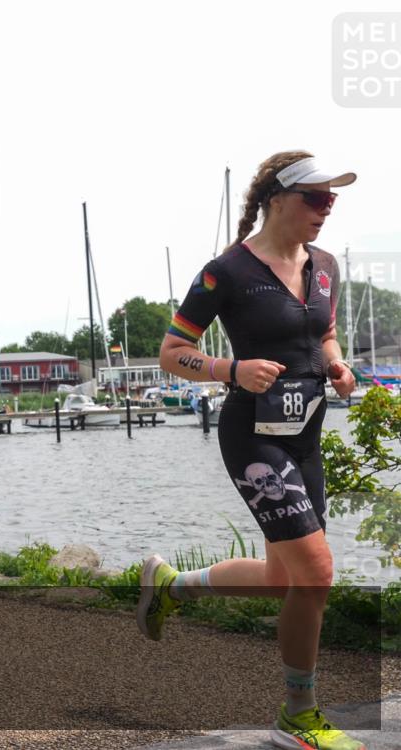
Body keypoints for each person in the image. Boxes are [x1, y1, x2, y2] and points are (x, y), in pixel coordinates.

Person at [137, 152, 364, 750]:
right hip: (253, 435)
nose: (327, 208)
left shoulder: (325, 266)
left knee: (278, 579)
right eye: (316, 197)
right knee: (315, 573)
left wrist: (337, 365)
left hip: (306, 434)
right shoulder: (227, 272)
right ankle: (299, 716)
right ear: (277, 200)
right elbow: (171, 353)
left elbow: (323, 333)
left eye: (332, 199)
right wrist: (230, 369)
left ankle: (171, 585)